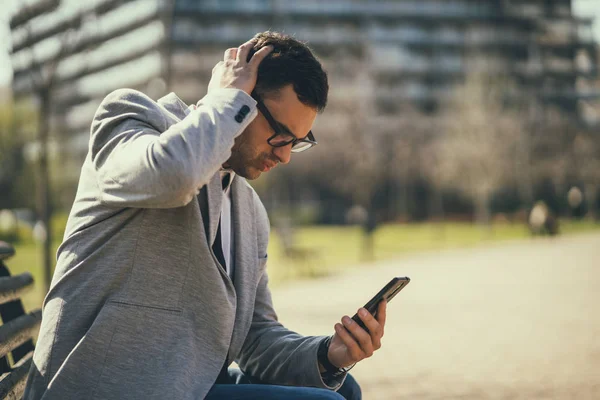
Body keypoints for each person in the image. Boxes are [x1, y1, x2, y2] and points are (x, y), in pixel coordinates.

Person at [24, 31, 387, 400]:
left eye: (297, 142)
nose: (285, 156)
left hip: (184, 387)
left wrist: (327, 355)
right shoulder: (129, 119)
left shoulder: (249, 212)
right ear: (242, 94)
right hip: (99, 388)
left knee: (344, 386)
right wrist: (225, 100)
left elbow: (255, 339)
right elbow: (174, 176)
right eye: (279, 134)